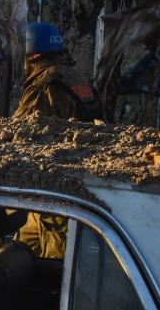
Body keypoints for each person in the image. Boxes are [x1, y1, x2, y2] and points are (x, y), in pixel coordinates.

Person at [13, 22, 99, 259]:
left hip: (55, 199)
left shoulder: (45, 87)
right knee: (23, 253)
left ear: (32, 56)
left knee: (53, 269)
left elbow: (17, 138)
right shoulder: (76, 78)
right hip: (69, 191)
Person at [13, 21, 100, 120]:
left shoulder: (41, 90)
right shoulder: (81, 80)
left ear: (35, 55)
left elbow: (16, 129)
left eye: (22, 57)